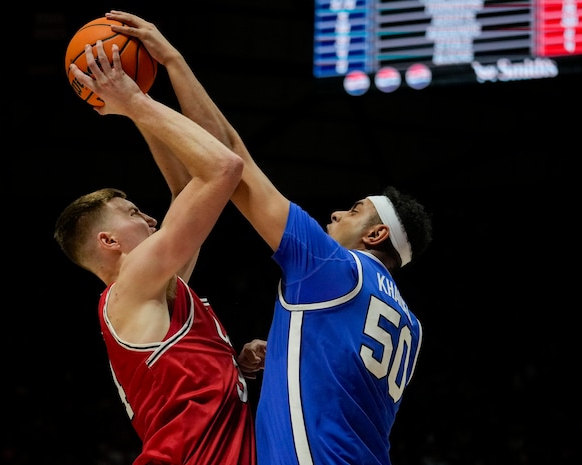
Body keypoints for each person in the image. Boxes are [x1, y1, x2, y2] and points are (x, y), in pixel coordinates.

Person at [104, 10, 432, 465]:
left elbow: (232, 160)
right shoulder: (409, 325)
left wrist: (173, 63)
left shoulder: (333, 268)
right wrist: (277, 354)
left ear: (376, 234)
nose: (336, 212)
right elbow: (333, 376)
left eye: (355, 211)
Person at [53, 37, 265, 465]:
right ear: (108, 243)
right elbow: (222, 169)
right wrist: (138, 96)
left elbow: (187, 190)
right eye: (133, 213)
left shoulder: (156, 290)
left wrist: (231, 368)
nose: (151, 219)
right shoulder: (132, 284)